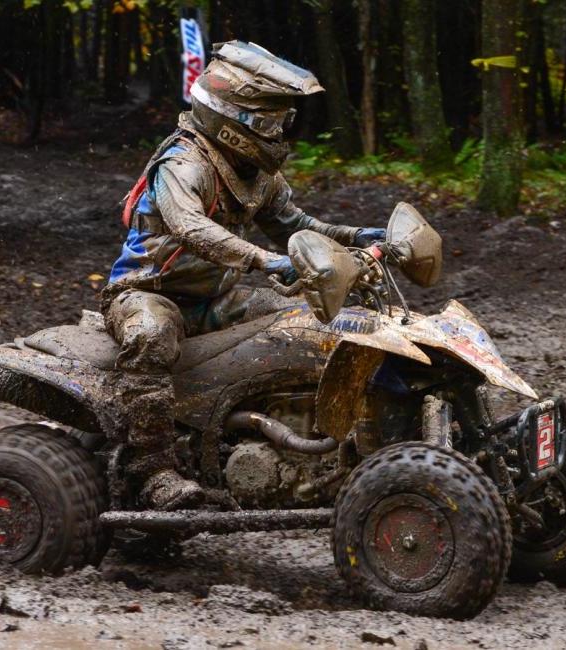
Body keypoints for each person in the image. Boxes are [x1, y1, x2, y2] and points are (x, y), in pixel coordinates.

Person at [100, 41, 385, 511]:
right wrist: (265, 260)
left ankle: (314, 443)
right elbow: (191, 227)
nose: (279, 133)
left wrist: (359, 235)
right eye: (270, 124)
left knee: (313, 322)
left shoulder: (254, 173)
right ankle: (152, 471)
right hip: (148, 294)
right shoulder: (182, 163)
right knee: (151, 338)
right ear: (233, 121)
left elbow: (297, 225)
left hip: (217, 299)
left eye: (283, 123)